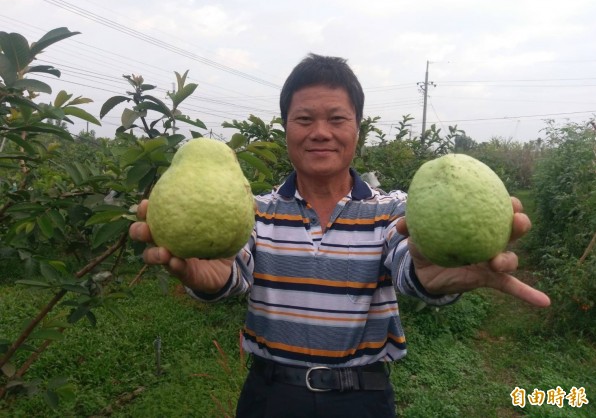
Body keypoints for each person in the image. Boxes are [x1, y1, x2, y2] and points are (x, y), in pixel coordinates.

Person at [129, 54, 551, 418]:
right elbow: (231, 271)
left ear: (358, 128)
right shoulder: (251, 209)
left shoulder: (393, 209)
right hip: (271, 396)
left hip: (362, 399)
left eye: (336, 119)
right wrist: (207, 278)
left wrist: (434, 273)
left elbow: (410, 262)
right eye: (305, 119)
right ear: (286, 128)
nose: (320, 132)